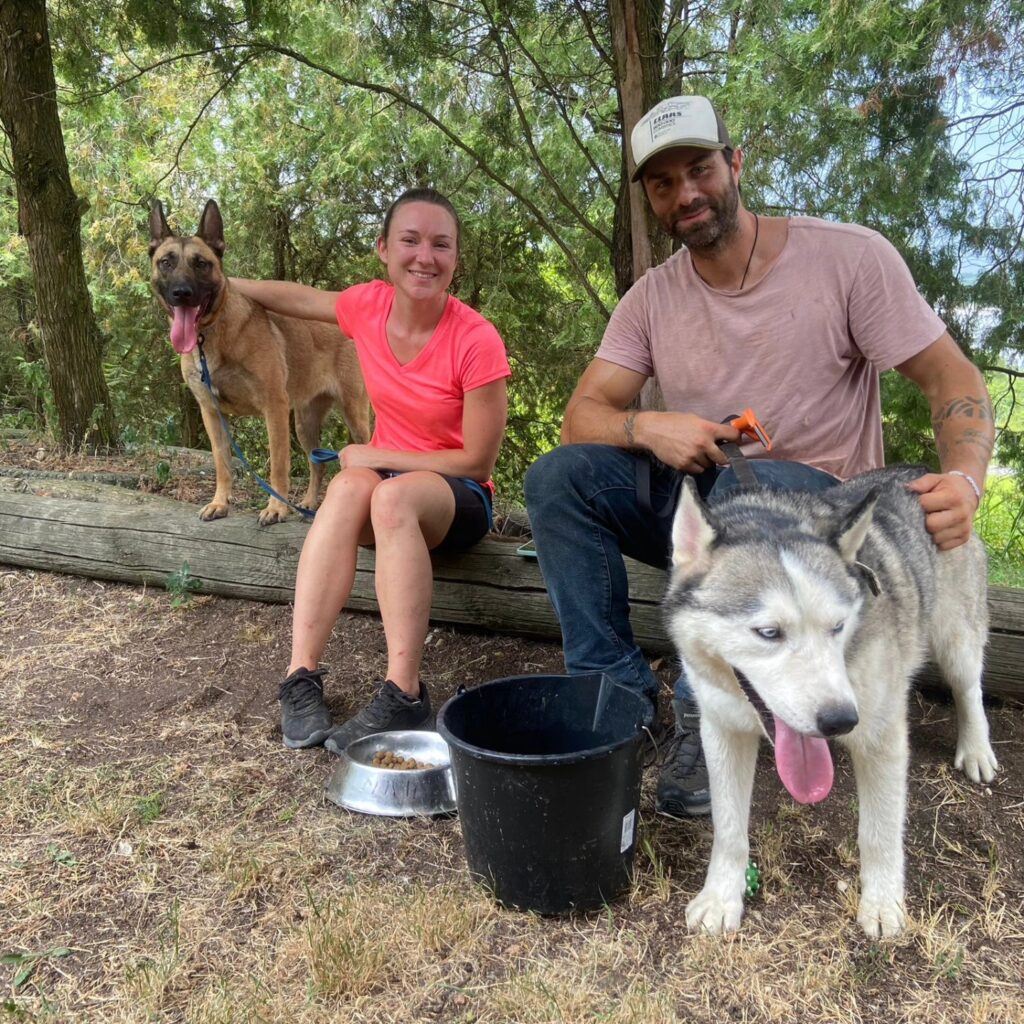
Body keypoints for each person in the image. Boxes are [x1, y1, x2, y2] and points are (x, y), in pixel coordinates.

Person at [524, 95, 994, 819]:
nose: (686, 193)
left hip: (817, 513)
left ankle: (702, 724)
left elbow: (951, 378)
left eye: (700, 169)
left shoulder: (848, 257)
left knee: (754, 492)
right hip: (700, 513)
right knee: (557, 480)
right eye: (663, 183)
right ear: (650, 199)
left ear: (735, 164)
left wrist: (964, 477)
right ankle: (614, 696)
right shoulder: (650, 299)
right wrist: (652, 427)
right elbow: (581, 417)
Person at [232, 188, 511, 753]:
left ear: (455, 258)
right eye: (410, 240)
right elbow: (299, 298)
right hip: (386, 485)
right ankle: (300, 676)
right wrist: (223, 285)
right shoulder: (368, 306)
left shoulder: (476, 339)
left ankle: (405, 693)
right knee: (347, 485)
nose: (424, 256)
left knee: (386, 495)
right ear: (384, 249)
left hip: (456, 497)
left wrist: (382, 456)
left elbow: (478, 461)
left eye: (441, 244)